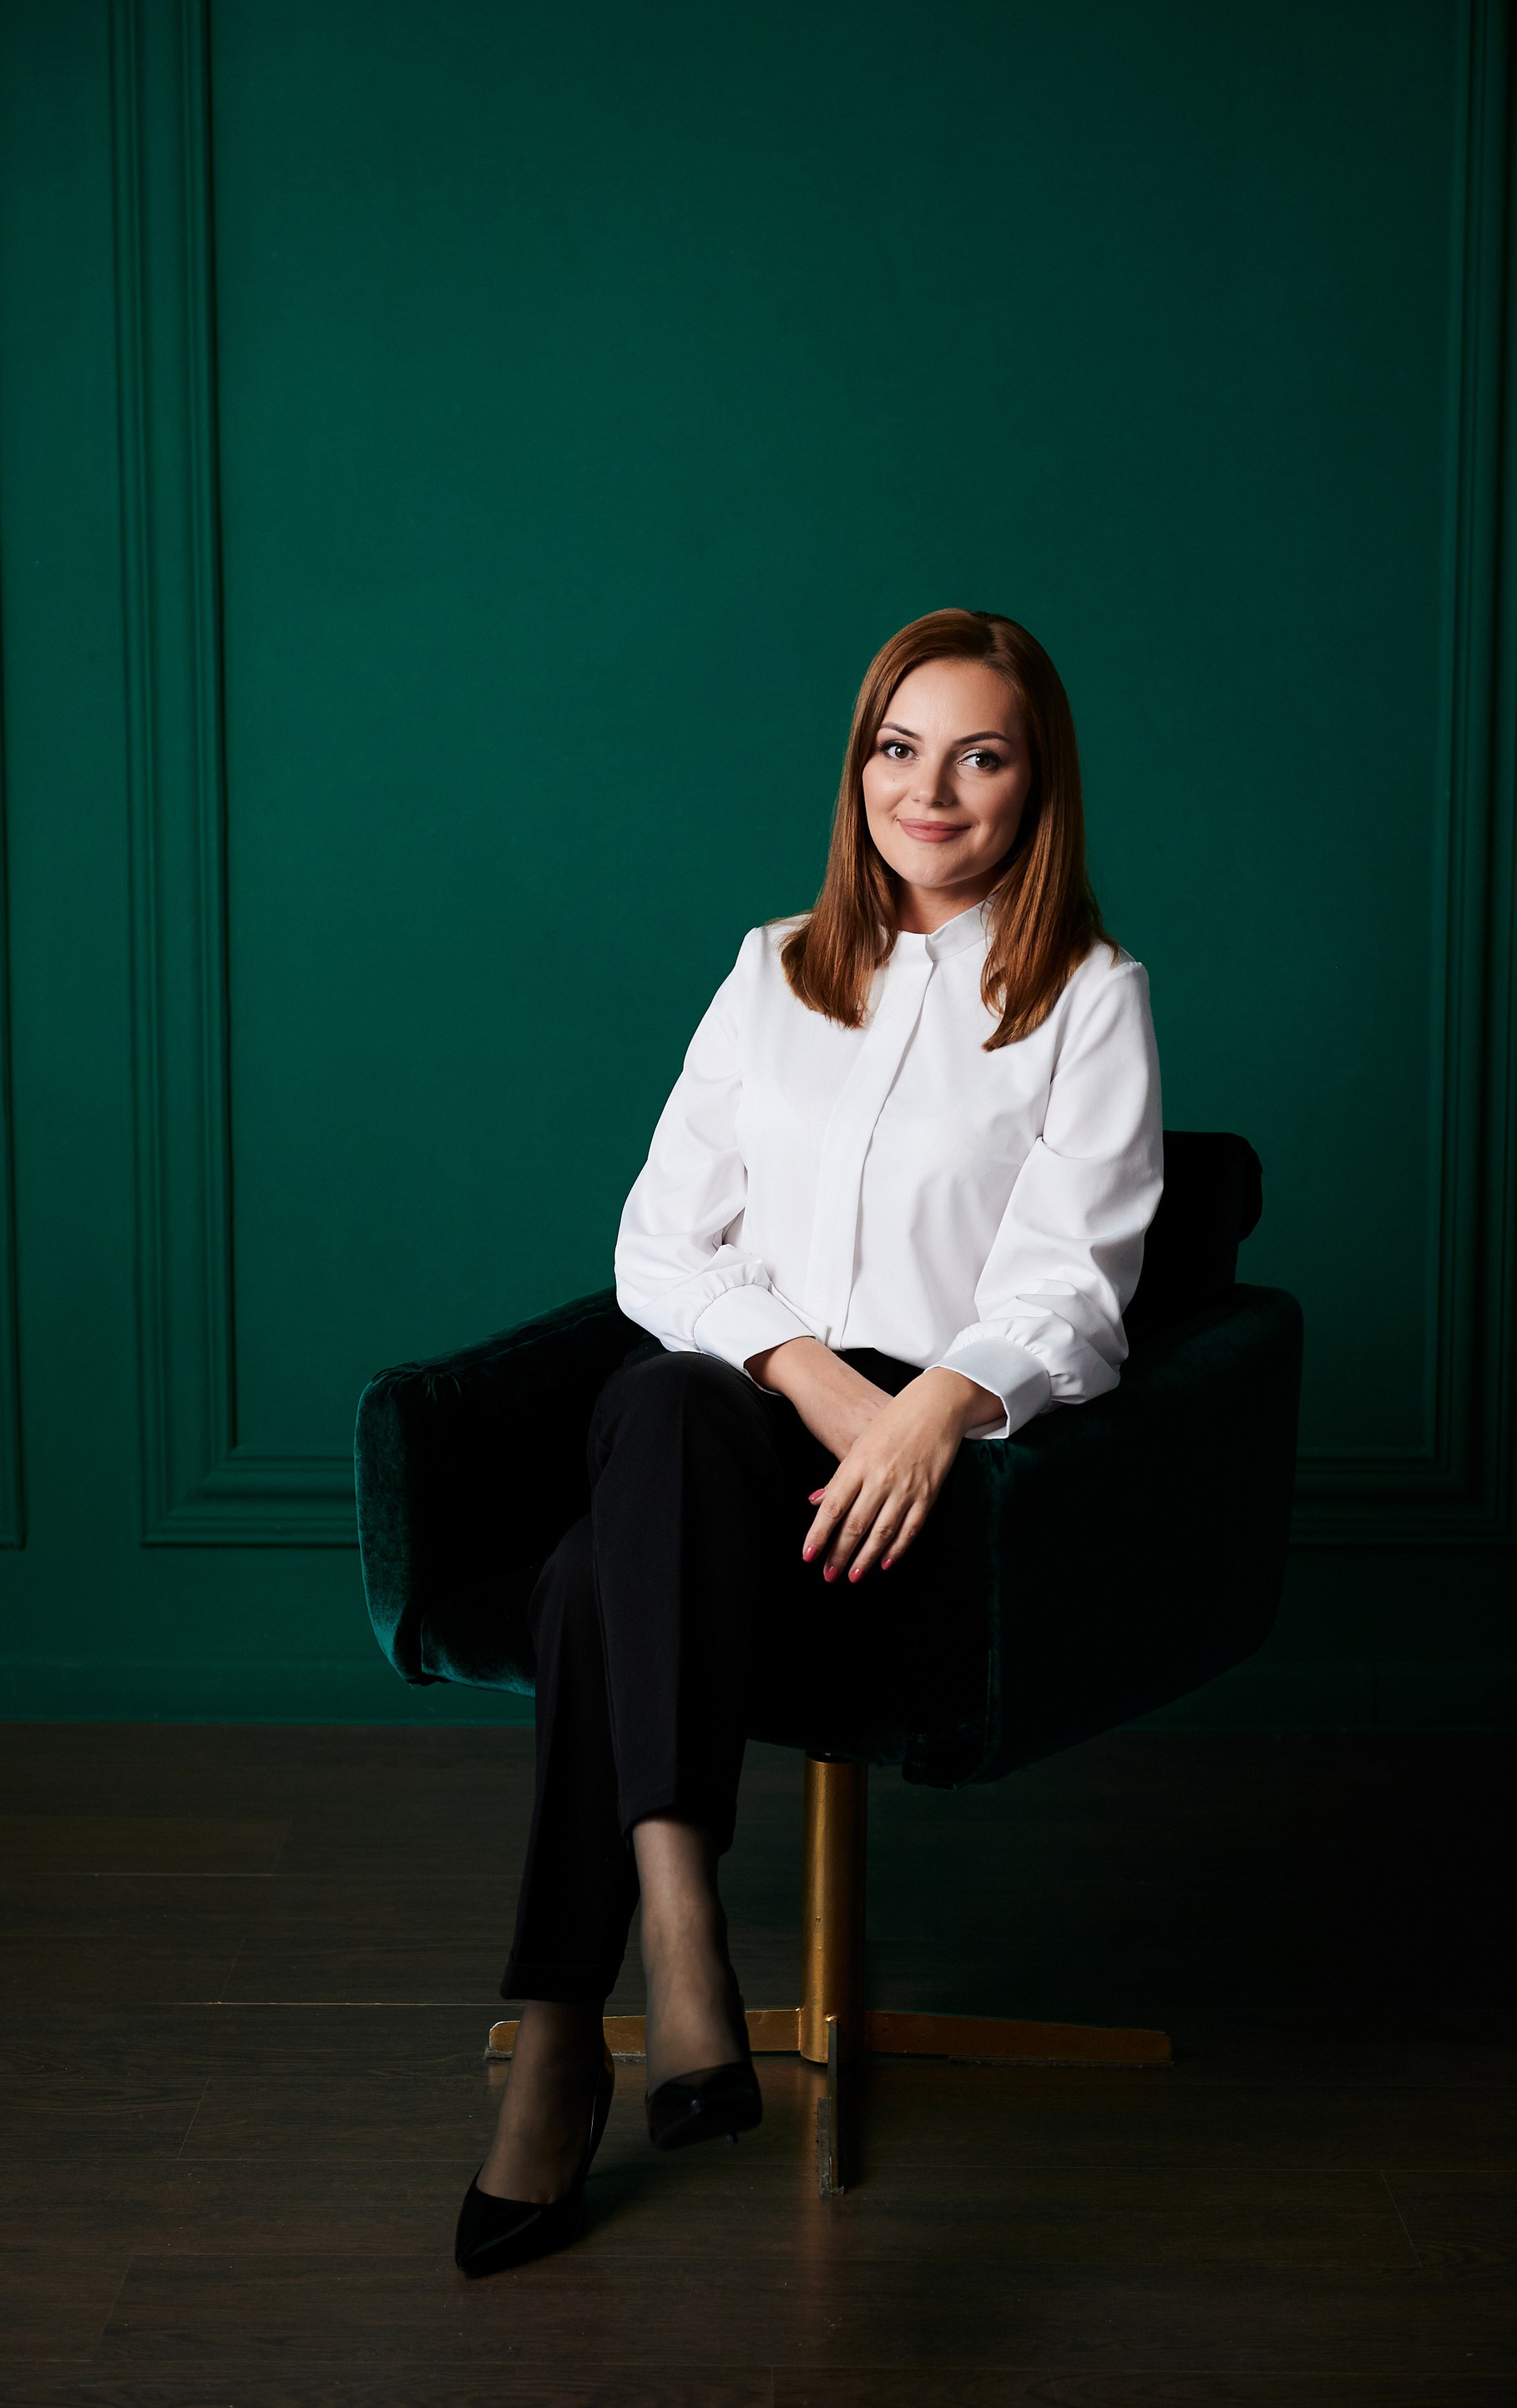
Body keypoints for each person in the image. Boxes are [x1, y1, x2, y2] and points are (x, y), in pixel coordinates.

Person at [455, 607, 1163, 2275]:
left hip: (920, 1492)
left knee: (591, 1580)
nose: (930, 791)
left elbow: (1077, 1289)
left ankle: (571, 2028)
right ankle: (674, 1927)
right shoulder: (772, 969)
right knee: (670, 1397)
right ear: (857, 770)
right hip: (736, 1424)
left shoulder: (1090, 998)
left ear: (1037, 783)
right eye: (898, 749)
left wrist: (924, 1407)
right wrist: (806, 1369)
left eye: (979, 756)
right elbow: (658, 1246)